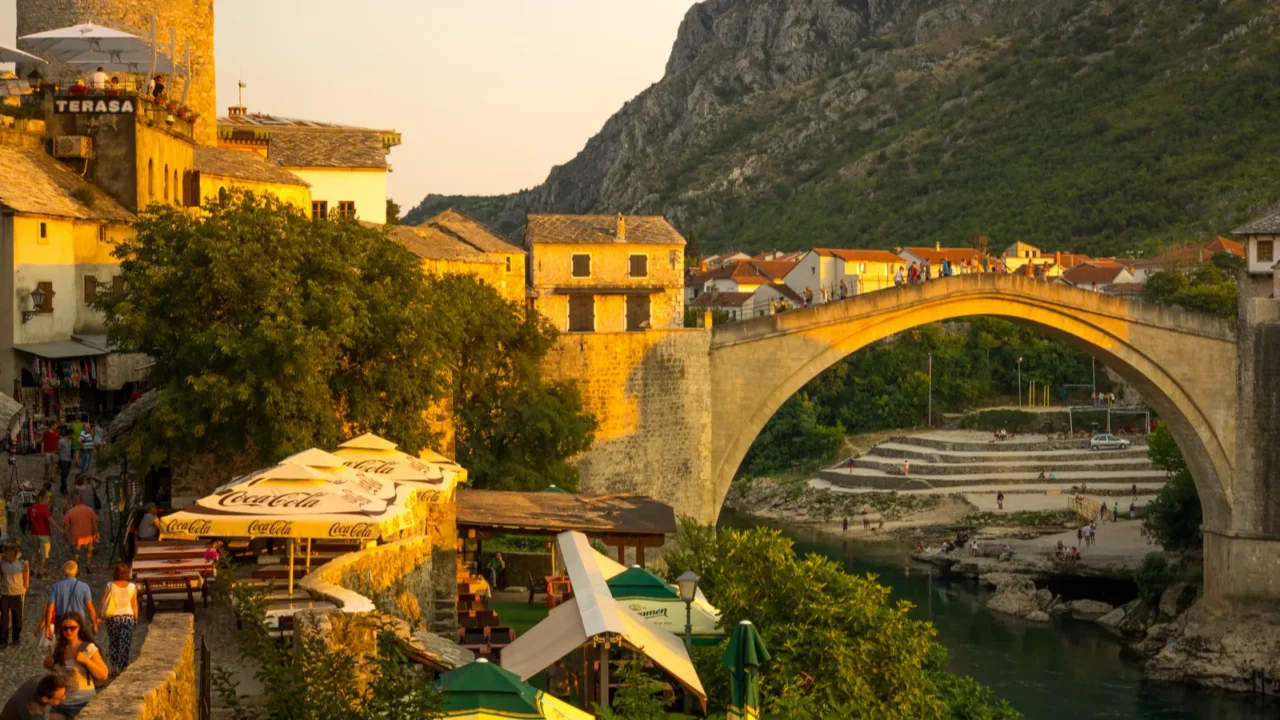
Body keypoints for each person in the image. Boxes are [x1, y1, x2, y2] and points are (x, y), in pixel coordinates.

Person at [43, 611, 107, 718]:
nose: (69, 631)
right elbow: (54, 668)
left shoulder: (88, 648)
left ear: (79, 628)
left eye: (72, 628)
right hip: (62, 703)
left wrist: (86, 661)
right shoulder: (57, 648)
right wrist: (48, 664)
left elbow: (104, 674)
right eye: (65, 628)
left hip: (84, 702)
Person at [41, 562, 97, 642]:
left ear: (64, 572)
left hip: (61, 621)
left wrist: (47, 628)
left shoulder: (56, 587)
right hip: (78, 621)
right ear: (76, 571)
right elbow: (90, 607)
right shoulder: (84, 587)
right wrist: (94, 624)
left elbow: (50, 608)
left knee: (63, 648)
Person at [100, 564, 138, 675]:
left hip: (113, 617)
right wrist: (136, 618)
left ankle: (114, 667)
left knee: (113, 642)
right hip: (128, 617)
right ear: (127, 573)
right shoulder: (132, 587)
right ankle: (122, 667)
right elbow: (134, 604)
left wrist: (99, 614)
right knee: (125, 643)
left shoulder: (109, 585)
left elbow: (103, 602)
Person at [0, 674, 66, 720]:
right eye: (60, 698)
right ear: (45, 699)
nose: (64, 698)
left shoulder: (41, 680)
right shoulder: (34, 714)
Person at [1, 542, 29, 646]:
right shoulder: (21, 563)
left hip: (11, 593)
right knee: (11, 618)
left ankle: (10, 639)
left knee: (10, 618)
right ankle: (10, 639)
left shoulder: (4, 563)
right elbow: (25, 578)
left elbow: (25, 577)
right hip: (11, 593)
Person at [62, 496, 98, 572]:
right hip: (87, 535)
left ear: (75, 501)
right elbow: (95, 523)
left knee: (76, 553)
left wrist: (64, 534)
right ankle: (88, 564)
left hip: (75, 536)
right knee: (89, 551)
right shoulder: (90, 510)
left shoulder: (70, 512)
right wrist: (95, 533)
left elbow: (66, 525)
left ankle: (76, 568)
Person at [27, 494, 52, 579]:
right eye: (48, 500)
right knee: (44, 554)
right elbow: (50, 520)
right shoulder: (44, 509)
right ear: (44, 499)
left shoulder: (33, 507)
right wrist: (59, 529)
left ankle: (31, 569)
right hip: (44, 534)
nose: (49, 502)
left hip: (34, 533)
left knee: (33, 552)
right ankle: (40, 572)